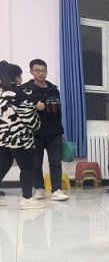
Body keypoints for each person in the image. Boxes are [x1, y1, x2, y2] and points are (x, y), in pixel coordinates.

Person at [21, 59, 68, 201]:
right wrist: (34, 107)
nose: (41, 73)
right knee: (36, 163)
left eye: (43, 70)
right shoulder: (25, 89)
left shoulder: (54, 89)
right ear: (31, 72)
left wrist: (61, 131)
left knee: (56, 163)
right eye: (37, 70)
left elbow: (59, 112)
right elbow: (20, 110)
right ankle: (39, 188)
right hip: (35, 132)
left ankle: (56, 190)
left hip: (54, 131)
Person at [0, 61, 43, 209]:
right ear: (16, 77)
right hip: (19, 137)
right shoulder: (19, 93)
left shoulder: (1, 92)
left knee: (2, 165)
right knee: (26, 167)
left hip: (3, 138)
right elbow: (30, 119)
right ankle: (27, 199)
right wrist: (37, 124)